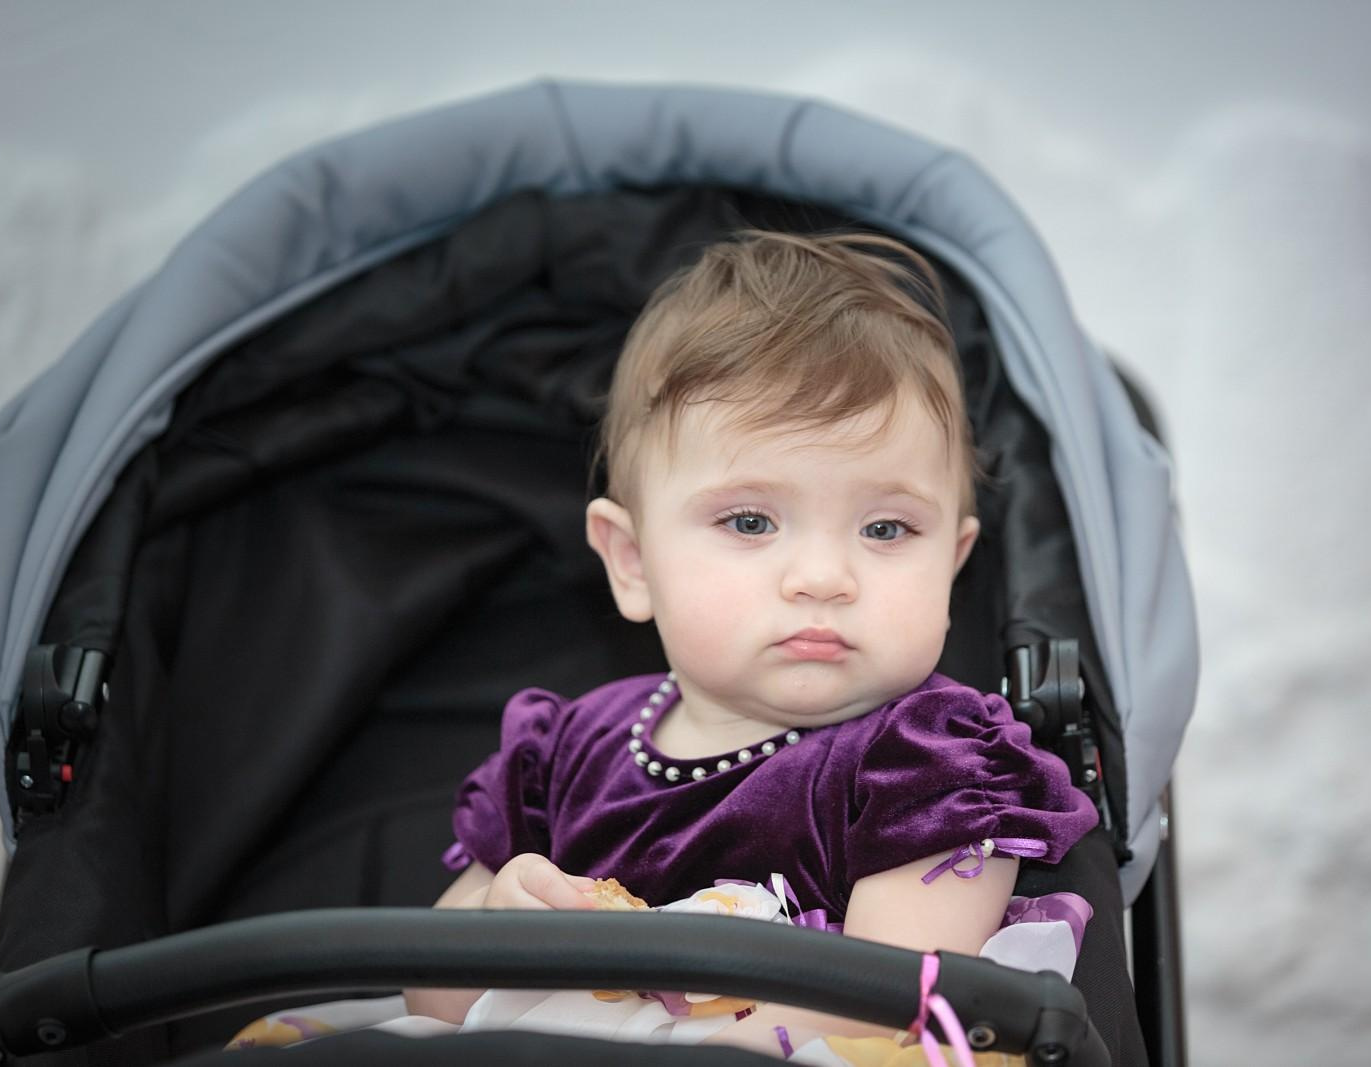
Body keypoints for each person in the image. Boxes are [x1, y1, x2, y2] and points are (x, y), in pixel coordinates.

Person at [403, 230, 1100, 1056]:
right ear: (633, 562)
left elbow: (885, 1022)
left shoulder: (928, 766)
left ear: (953, 560)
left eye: (885, 528)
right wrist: (498, 926)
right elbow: (429, 996)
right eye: (749, 521)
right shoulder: (561, 756)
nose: (822, 577)